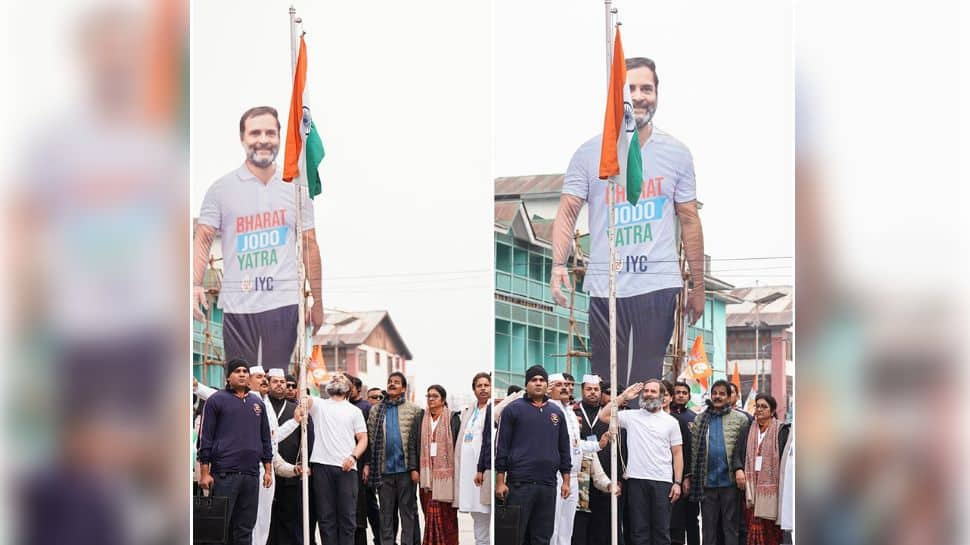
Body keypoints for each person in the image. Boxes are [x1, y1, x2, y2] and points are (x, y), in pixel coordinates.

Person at [550, 56, 705, 385]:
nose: (638, 96)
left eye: (646, 88)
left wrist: (699, 288)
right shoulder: (589, 153)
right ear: (615, 96)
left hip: (658, 285)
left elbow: (689, 219)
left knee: (647, 381)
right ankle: (611, 437)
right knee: (607, 384)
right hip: (606, 285)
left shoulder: (677, 153)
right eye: (630, 88)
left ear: (657, 94)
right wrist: (557, 265)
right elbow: (567, 210)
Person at [193, 105, 323, 373]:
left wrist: (318, 302)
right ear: (243, 139)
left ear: (279, 137)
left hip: (283, 304)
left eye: (270, 133)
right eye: (255, 133)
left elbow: (310, 244)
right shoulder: (222, 189)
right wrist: (194, 284)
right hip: (238, 304)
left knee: (277, 380)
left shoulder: (297, 189)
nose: (263, 139)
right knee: (240, 382)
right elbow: (204, 236)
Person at [197, 360, 274, 545]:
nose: (242, 374)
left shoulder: (257, 403)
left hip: (251, 475)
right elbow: (205, 439)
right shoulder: (216, 400)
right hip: (224, 475)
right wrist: (205, 473)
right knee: (220, 527)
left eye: (245, 371)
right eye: (237, 371)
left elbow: (265, 438)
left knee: (246, 527)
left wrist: (268, 469)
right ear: (228, 377)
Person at [598, 380, 684, 545]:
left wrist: (677, 482)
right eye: (646, 391)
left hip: (663, 482)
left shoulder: (671, 422)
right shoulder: (632, 416)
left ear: (661, 395)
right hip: (636, 480)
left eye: (653, 391)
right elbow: (604, 415)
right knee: (639, 532)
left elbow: (677, 453)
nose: (649, 394)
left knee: (661, 532)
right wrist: (623, 396)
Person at [495, 365, 571, 545]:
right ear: (526, 384)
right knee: (515, 536)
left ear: (547, 385)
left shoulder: (556, 412)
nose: (538, 383)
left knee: (542, 536)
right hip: (520, 484)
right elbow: (502, 447)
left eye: (542, 380)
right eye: (534, 380)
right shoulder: (513, 409)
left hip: (548, 485)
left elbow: (564, 448)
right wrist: (500, 481)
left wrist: (566, 480)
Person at [305, 373, 368, 545]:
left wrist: (353, 457)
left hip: (346, 468)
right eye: (334, 377)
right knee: (326, 518)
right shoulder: (319, 405)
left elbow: (363, 439)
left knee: (348, 518)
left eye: (341, 377)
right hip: (321, 466)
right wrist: (303, 369)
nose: (336, 378)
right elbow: (302, 397)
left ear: (348, 388)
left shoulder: (355, 411)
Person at [688, 380, 750, 545]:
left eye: (722, 394)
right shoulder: (701, 419)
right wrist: (693, 476)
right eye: (715, 393)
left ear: (730, 397)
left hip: (730, 482)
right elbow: (694, 452)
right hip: (707, 483)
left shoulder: (741, 420)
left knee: (730, 526)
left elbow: (744, 451)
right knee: (708, 528)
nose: (717, 396)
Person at [364, 372, 422, 545]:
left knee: (408, 514)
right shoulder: (376, 410)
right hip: (384, 472)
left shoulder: (414, 410)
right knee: (386, 515)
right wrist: (369, 464)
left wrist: (416, 468)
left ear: (404, 388)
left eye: (396, 382)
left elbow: (418, 442)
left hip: (406, 471)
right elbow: (371, 439)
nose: (392, 384)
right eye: (390, 382)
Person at [572, 375, 626, 545]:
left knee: (603, 528)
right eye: (589, 389)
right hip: (579, 480)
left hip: (606, 478)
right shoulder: (573, 412)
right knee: (578, 529)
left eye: (596, 389)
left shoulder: (608, 415)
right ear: (582, 390)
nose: (593, 393)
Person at [549, 374, 599, 545]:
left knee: (567, 524)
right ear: (549, 389)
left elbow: (575, 445)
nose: (565, 388)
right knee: (553, 524)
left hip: (573, 475)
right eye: (559, 385)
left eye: (567, 385)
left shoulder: (569, 410)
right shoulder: (550, 410)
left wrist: (599, 444)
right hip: (556, 475)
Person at [268, 369, 314, 545]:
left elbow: (307, 437)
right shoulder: (262, 405)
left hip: (292, 472)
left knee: (290, 520)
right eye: (276, 382)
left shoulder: (295, 408)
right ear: (269, 383)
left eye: (283, 383)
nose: (280, 385)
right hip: (267, 472)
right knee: (267, 519)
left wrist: (304, 462)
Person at [415, 385, 462, 545]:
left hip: (447, 478)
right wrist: (414, 469)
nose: (431, 399)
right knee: (429, 515)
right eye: (428, 396)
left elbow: (457, 446)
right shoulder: (421, 418)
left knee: (447, 517)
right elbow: (414, 444)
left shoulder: (452, 418)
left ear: (443, 400)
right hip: (427, 477)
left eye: (435, 396)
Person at [741, 394, 789, 545]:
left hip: (771, 487)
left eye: (764, 406)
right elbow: (739, 452)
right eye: (757, 406)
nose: (760, 409)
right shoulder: (748, 429)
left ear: (772, 410)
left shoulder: (781, 430)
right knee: (751, 524)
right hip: (751, 485)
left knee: (770, 527)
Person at [453, 373, 493, 545]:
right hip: (469, 472)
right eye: (479, 385)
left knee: (487, 512)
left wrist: (482, 469)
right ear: (474, 389)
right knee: (477, 516)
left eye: (486, 385)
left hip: (485, 471)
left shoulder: (494, 409)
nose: (483, 388)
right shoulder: (469, 410)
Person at [346, 375, 381, 545]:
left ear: (358, 389)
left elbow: (369, 438)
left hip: (361, 462)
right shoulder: (342, 406)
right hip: (347, 461)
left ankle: (379, 538)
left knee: (367, 503)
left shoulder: (365, 407)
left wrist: (367, 463)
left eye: (349, 386)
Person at [669, 382, 699, 545]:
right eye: (678, 392)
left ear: (689, 396)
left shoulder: (695, 418)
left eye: (684, 393)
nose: (681, 395)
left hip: (691, 476)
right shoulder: (667, 417)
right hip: (672, 476)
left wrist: (689, 476)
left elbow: (692, 450)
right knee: (675, 519)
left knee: (692, 519)